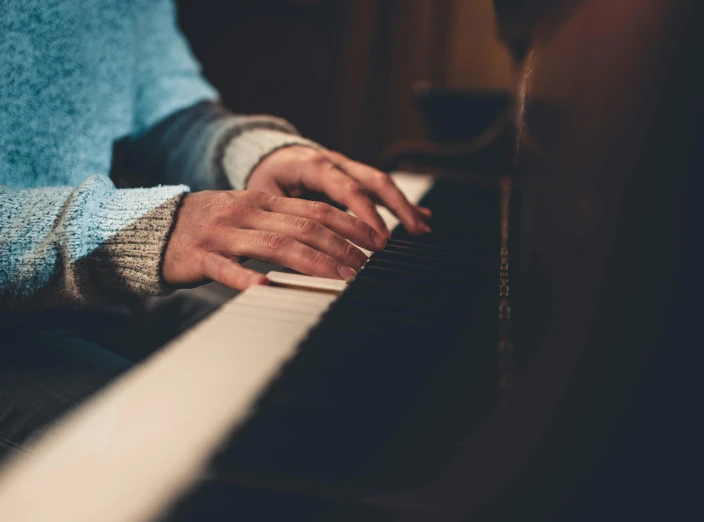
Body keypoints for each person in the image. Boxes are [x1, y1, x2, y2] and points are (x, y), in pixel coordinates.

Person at [0, 0, 429, 460]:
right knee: (201, 461)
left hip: (94, 296)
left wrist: (250, 154)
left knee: (337, 368)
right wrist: (131, 229)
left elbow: (167, 113)